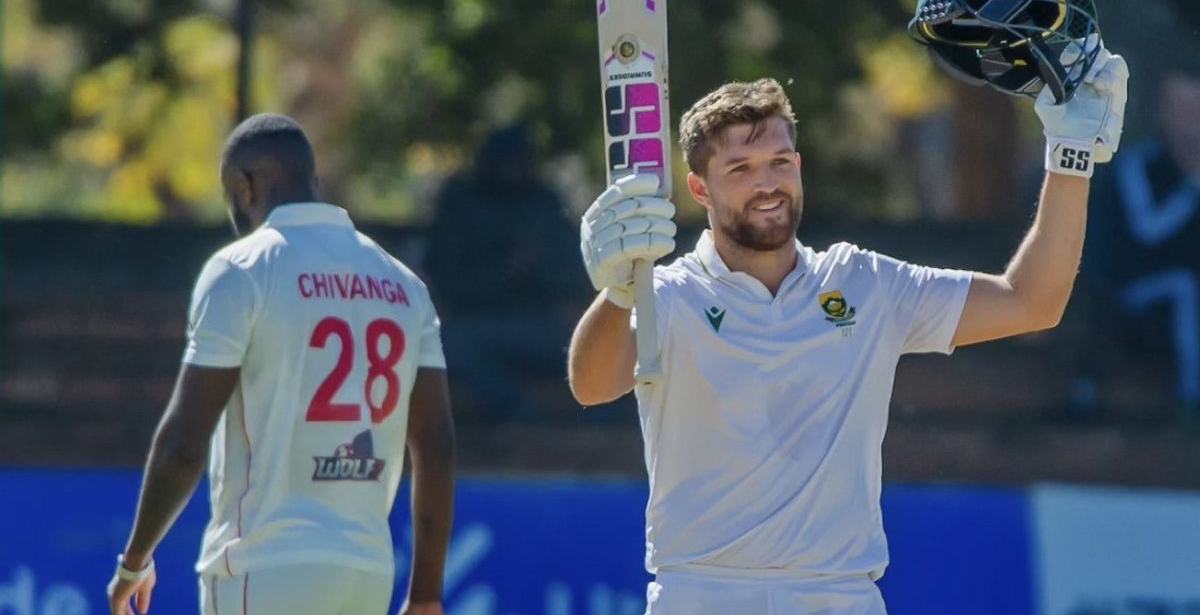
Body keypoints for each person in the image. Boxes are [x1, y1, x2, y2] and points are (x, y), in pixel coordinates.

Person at [569, 49, 1127, 611]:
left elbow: (1032, 301)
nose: (767, 184)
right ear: (700, 189)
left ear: (799, 165)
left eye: (780, 162)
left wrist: (1070, 156)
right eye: (740, 169)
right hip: (703, 593)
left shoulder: (863, 281)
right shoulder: (670, 294)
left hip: (838, 596)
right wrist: (618, 294)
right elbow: (591, 384)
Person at [107, 114, 455, 615]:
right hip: (366, 574)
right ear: (311, 181)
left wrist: (135, 561)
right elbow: (437, 446)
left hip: (265, 563)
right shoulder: (403, 284)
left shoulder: (241, 270)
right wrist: (425, 595)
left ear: (243, 186)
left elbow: (185, 442)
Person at [425, 123, 590, 421]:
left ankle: (595, 418)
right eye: (504, 163)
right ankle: (521, 411)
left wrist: (536, 269)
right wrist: (503, 272)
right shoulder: (462, 199)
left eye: (518, 163)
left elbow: (574, 276)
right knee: (447, 343)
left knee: (599, 344)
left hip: (540, 323)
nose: (510, 172)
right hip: (479, 321)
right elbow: (444, 277)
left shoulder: (542, 201)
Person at [1083, 69, 1200, 418]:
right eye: (1181, 108)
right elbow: (1148, 231)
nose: (1190, 119)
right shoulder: (1139, 164)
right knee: (1185, 287)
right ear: (1162, 112)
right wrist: (1192, 186)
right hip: (1132, 293)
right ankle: (1192, 399)